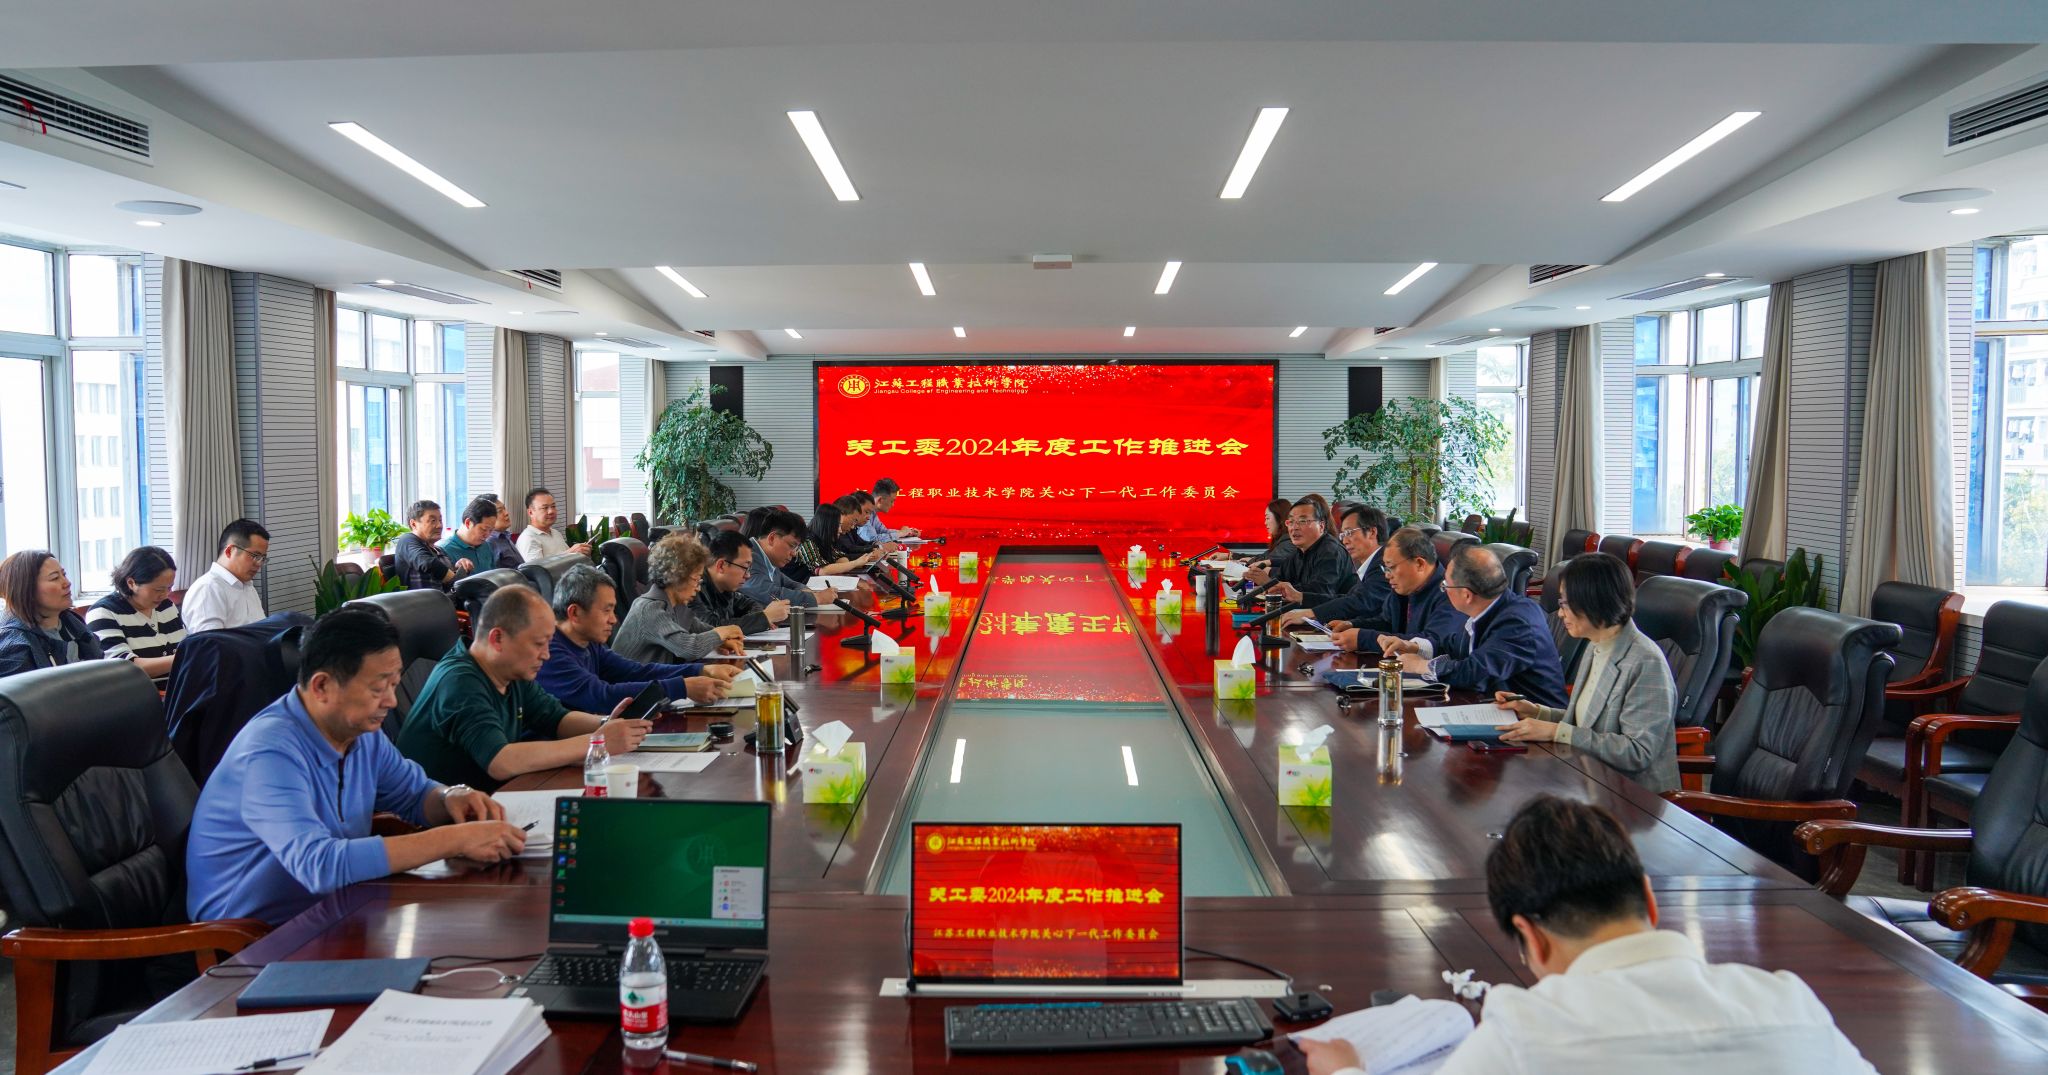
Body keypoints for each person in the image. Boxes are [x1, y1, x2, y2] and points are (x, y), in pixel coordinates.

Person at [1299, 796, 1877, 1075]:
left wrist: (1347, 1068)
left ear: (1531, 937)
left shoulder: (1526, 1034)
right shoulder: (1790, 1002)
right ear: (1648, 899)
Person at [186, 607, 528, 926]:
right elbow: (318, 865)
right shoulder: (269, 752)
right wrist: (454, 840)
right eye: (378, 688)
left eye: (394, 684)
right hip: (250, 937)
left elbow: (413, 794)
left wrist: (451, 797)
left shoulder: (360, 733)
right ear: (322, 686)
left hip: (334, 908)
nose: (391, 701)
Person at [397, 585, 651, 792]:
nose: (546, 655)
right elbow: (501, 761)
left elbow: (556, 718)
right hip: (436, 817)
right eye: (539, 644)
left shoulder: (510, 671)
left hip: (494, 798)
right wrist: (599, 741)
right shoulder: (459, 681)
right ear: (498, 638)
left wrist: (609, 723)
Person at [1491, 553, 1679, 791]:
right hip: (1588, 778)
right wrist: (1536, 712)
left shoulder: (1645, 662)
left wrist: (1556, 732)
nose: (1560, 613)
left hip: (1632, 796)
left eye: (1565, 604)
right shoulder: (1596, 644)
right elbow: (1587, 723)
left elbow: (1637, 752)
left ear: (1593, 602)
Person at [535, 564, 736, 712]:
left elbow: (634, 671)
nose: (614, 620)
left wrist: (700, 670)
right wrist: (681, 687)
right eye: (606, 610)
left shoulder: (588, 643)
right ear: (575, 613)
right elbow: (599, 695)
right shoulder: (550, 652)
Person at [1387, 544, 1567, 708]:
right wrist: (1414, 647)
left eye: (1446, 585)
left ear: (1466, 595)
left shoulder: (1518, 622)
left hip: (1537, 724)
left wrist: (1421, 666)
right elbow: (1455, 646)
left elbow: (1475, 673)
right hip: (1495, 709)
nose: (1444, 590)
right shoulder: (1489, 608)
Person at [1330, 527, 1463, 656]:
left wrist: (1364, 639)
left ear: (1419, 564)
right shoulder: (1405, 587)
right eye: (1385, 568)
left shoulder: (1450, 592)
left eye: (1391, 567)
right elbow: (1387, 622)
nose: (1387, 575)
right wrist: (1352, 625)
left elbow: (1431, 643)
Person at [615, 534, 747, 663]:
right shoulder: (649, 609)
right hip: (632, 678)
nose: (698, 588)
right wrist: (722, 633)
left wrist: (722, 641)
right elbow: (689, 648)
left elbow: (704, 630)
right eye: (696, 579)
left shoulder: (678, 606)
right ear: (677, 577)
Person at [1275, 506, 1392, 630]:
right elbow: (1348, 598)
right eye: (1343, 535)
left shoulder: (1385, 564)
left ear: (1372, 532)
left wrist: (1310, 614)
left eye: (1349, 533)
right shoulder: (1373, 564)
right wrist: (1301, 598)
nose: (1345, 541)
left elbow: (1361, 602)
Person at [86, 545, 187, 683]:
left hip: (179, 689)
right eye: (158, 589)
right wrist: (185, 657)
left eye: (169, 587)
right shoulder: (103, 612)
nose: (165, 595)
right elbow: (124, 667)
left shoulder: (166, 606)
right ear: (131, 583)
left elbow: (184, 646)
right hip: (138, 693)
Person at [0, 550, 104, 677]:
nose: (67, 583)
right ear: (26, 589)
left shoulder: (72, 622)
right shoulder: (13, 644)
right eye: (55, 578)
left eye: (64, 574)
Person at [1246, 494, 1350, 598]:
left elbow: (1319, 594)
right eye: (1291, 522)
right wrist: (1264, 583)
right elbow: (1281, 578)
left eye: (1302, 521)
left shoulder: (1331, 551)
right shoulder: (1299, 553)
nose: (1294, 527)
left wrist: (1269, 583)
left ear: (1321, 526)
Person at [181, 518, 270, 633]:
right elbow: (210, 642)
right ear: (229, 551)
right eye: (255, 556)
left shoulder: (247, 586)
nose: (259, 564)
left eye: (262, 558)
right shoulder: (208, 589)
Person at [692, 531, 790, 633]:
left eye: (749, 568)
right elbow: (711, 629)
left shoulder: (726, 589)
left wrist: (761, 618)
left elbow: (752, 605)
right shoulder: (693, 588)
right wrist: (765, 617)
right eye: (745, 567)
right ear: (721, 566)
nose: (748, 575)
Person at [744, 509, 820, 609]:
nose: (794, 553)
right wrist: (816, 598)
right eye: (792, 545)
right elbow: (770, 595)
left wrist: (806, 591)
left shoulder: (768, 558)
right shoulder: (747, 557)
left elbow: (790, 584)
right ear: (772, 538)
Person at [393, 499, 465, 591]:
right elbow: (427, 563)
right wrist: (457, 581)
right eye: (433, 520)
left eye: (440, 520)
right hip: (421, 600)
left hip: (444, 598)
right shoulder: (407, 540)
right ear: (414, 524)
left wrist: (458, 568)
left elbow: (446, 584)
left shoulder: (438, 550)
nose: (439, 525)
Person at [516, 486, 593, 562]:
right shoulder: (528, 538)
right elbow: (536, 568)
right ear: (531, 512)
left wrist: (582, 553)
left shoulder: (556, 533)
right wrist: (570, 553)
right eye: (545, 508)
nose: (551, 511)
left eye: (553, 506)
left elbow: (569, 561)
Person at [438, 496, 499, 573]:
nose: (487, 535)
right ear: (468, 523)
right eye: (484, 529)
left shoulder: (485, 546)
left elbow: (493, 574)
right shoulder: (444, 550)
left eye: (491, 530)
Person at [858, 477, 921, 543]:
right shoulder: (863, 511)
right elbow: (872, 539)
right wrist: (901, 533)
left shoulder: (873, 513)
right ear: (880, 500)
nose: (893, 505)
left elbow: (883, 531)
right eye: (892, 501)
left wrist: (908, 532)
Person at [481, 493, 525, 569]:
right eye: (500, 511)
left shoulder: (505, 536)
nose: (506, 513)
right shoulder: (489, 543)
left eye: (504, 508)